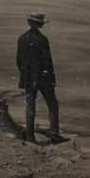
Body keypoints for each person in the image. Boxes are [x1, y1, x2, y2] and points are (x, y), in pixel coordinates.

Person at [16, 12, 62, 144]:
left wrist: (24, 75)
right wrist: (52, 79)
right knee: (52, 104)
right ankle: (54, 134)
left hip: (29, 78)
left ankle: (30, 136)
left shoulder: (21, 38)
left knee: (30, 106)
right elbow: (48, 61)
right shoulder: (42, 40)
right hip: (43, 77)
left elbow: (18, 61)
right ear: (40, 24)